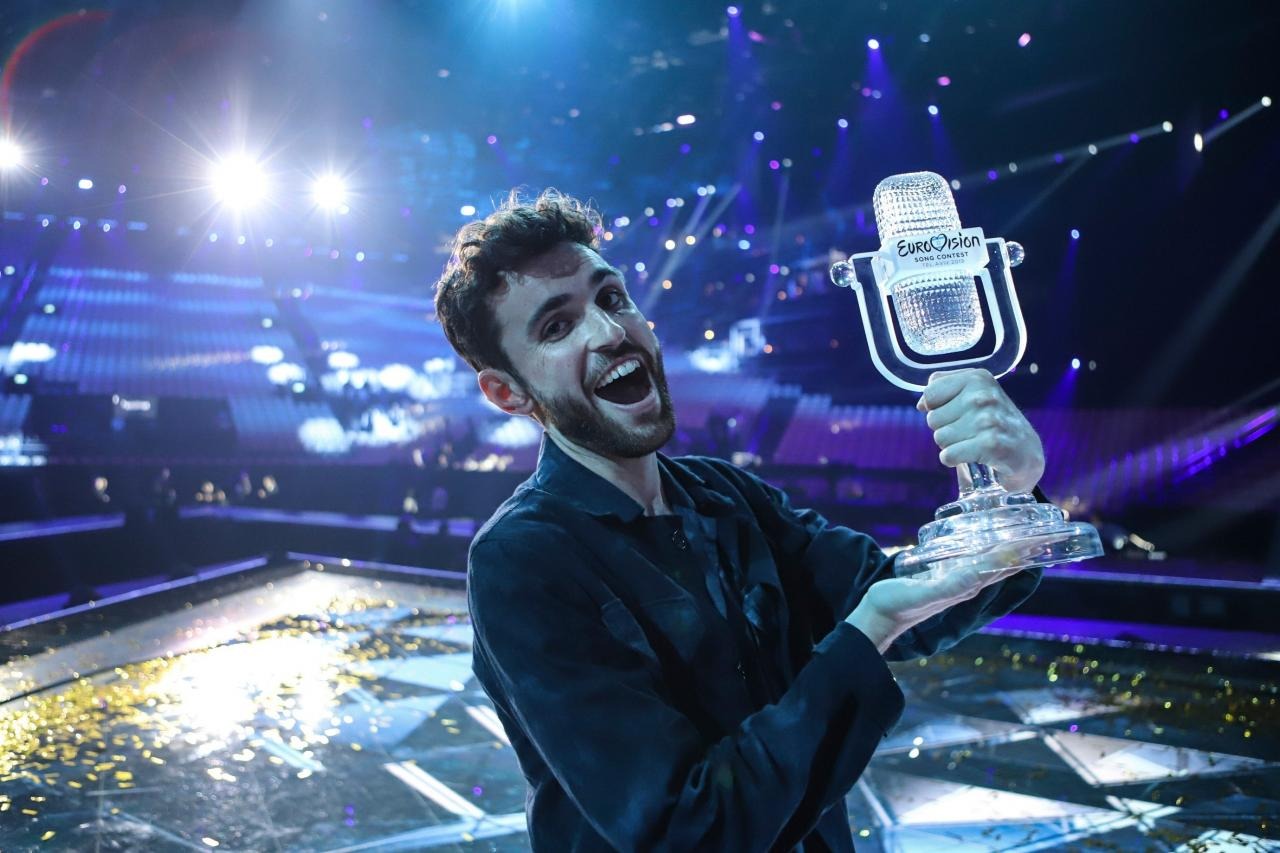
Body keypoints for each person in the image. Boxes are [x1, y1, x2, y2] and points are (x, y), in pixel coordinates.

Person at [433, 190, 1048, 852]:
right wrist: (873, 626)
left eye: (611, 298)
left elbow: (897, 590)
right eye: (556, 327)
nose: (609, 332)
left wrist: (1011, 496)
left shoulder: (724, 493)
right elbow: (688, 828)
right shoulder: (522, 559)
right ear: (507, 390)